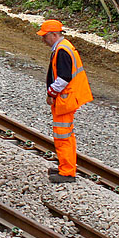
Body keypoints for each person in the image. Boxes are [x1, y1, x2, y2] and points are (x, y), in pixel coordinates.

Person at [37, 19, 93, 183]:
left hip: (65, 100)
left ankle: (67, 172)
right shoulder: (65, 47)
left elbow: (63, 78)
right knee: (67, 135)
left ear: (54, 35)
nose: (43, 40)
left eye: (45, 36)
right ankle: (66, 166)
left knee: (63, 136)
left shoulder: (62, 50)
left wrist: (51, 93)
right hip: (69, 98)